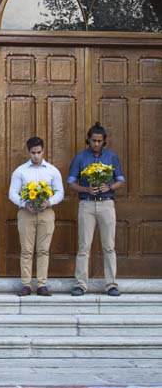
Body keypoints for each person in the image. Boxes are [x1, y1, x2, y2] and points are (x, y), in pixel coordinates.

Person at [68, 123, 125, 297]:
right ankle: (80, 284)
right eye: (93, 141)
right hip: (87, 204)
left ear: (104, 140)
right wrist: (86, 189)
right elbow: (71, 182)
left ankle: (111, 284)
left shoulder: (112, 157)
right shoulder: (80, 158)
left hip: (106, 203)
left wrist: (109, 187)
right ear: (89, 140)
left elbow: (120, 179)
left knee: (109, 246)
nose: (96, 144)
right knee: (84, 246)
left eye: (99, 141)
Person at [8, 137, 64, 297]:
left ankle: (42, 284)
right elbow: (12, 192)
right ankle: (26, 285)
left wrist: (49, 201)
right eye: (33, 153)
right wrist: (23, 203)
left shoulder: (52, 170)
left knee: (43, 250)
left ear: (43, 151)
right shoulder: (20, 171)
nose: (36, 156)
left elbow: (60, 192)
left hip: (46, 213)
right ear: (28, 152)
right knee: (26, 249)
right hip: (26, 212)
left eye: (39, 152)